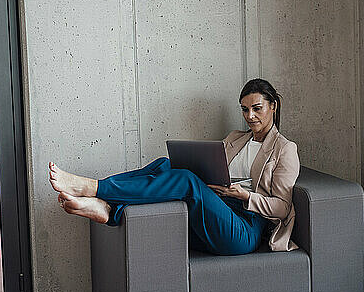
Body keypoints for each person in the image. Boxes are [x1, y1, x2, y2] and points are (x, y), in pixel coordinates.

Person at [49, 78, 300, 254]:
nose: (250, 116)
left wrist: (246, 196)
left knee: (187, 181)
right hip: (216, 208)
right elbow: (214, 168)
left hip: (245, 227)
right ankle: (109, 211)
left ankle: (95, 188)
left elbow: (282, 207)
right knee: (165, 164)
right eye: (245, 110)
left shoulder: (285, 149)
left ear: (273, 106)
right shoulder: (236, 137)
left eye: (257, 109)